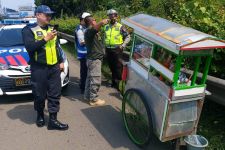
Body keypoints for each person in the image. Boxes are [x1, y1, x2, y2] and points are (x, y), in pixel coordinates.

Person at [22, 5, 68, 130]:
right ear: (38, 15)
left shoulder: (52, 28)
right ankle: (40, 115)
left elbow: (57, 46)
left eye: (50, 15)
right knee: (39, 94)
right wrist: (45, 39)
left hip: (54, 68)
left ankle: (53, 120)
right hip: (39, 68)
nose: (49, 17)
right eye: (46, 14)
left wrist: (61, 60)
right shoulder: (28, 30)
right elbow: (30, 47)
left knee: (55, 94)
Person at [84, 16, 109, 106]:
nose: (96, 21)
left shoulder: (92, 32)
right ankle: (94, 99)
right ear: (91, 22)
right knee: (96, 79)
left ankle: (87, 96)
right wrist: (102, 22)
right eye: (94, 20)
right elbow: (95, 28)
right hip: (94, 59)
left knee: (90, 78)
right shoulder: (89, 31)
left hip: (93, 58)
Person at [103, 9, 131, 89]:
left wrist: (123, 46)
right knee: (111, 66)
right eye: (110, 15)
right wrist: (103, 48)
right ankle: (113, 82)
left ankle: (119, 85)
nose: (112, 17)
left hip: (117, 50)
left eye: (114, 15)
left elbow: (128, 37)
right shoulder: (106, 27)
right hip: (108, 49)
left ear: (116, 16)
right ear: (108, 17)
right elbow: (104, 38)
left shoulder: (120, 26)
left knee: (118, 67)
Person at [74, 12, 91, 94]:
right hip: (83, 54)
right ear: (83, 20)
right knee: (84, 72)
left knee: (87, 71)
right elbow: (82, 42)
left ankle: (85, 86)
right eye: (88, 19)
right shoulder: (80, 29)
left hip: (87, 53)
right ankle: (83, 88)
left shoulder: (85, 27)